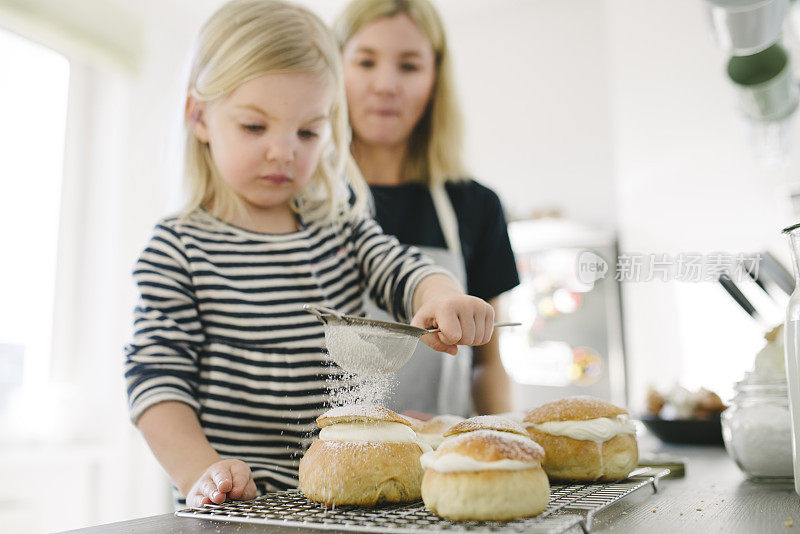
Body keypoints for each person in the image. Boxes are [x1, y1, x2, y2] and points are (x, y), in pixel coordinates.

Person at [124, 0, 496, 508]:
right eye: (255, 127)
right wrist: (201, 472)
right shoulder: (177, 250)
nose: (284, 151)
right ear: (200, 117)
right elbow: (157, 383)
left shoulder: (337, 224)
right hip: (232, 510)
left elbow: (401, 266)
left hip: (336, 504)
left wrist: (442, 293)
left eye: (308, 131)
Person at [334, 0, 519, 418]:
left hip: (440, 468)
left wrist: (505, 435)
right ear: (334, 71)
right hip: (320, 468)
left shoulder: (477, 206)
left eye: (409, 66)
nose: (385, 85)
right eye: (365, 62)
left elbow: (486, 364)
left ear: (436, 78)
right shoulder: (306, 202)